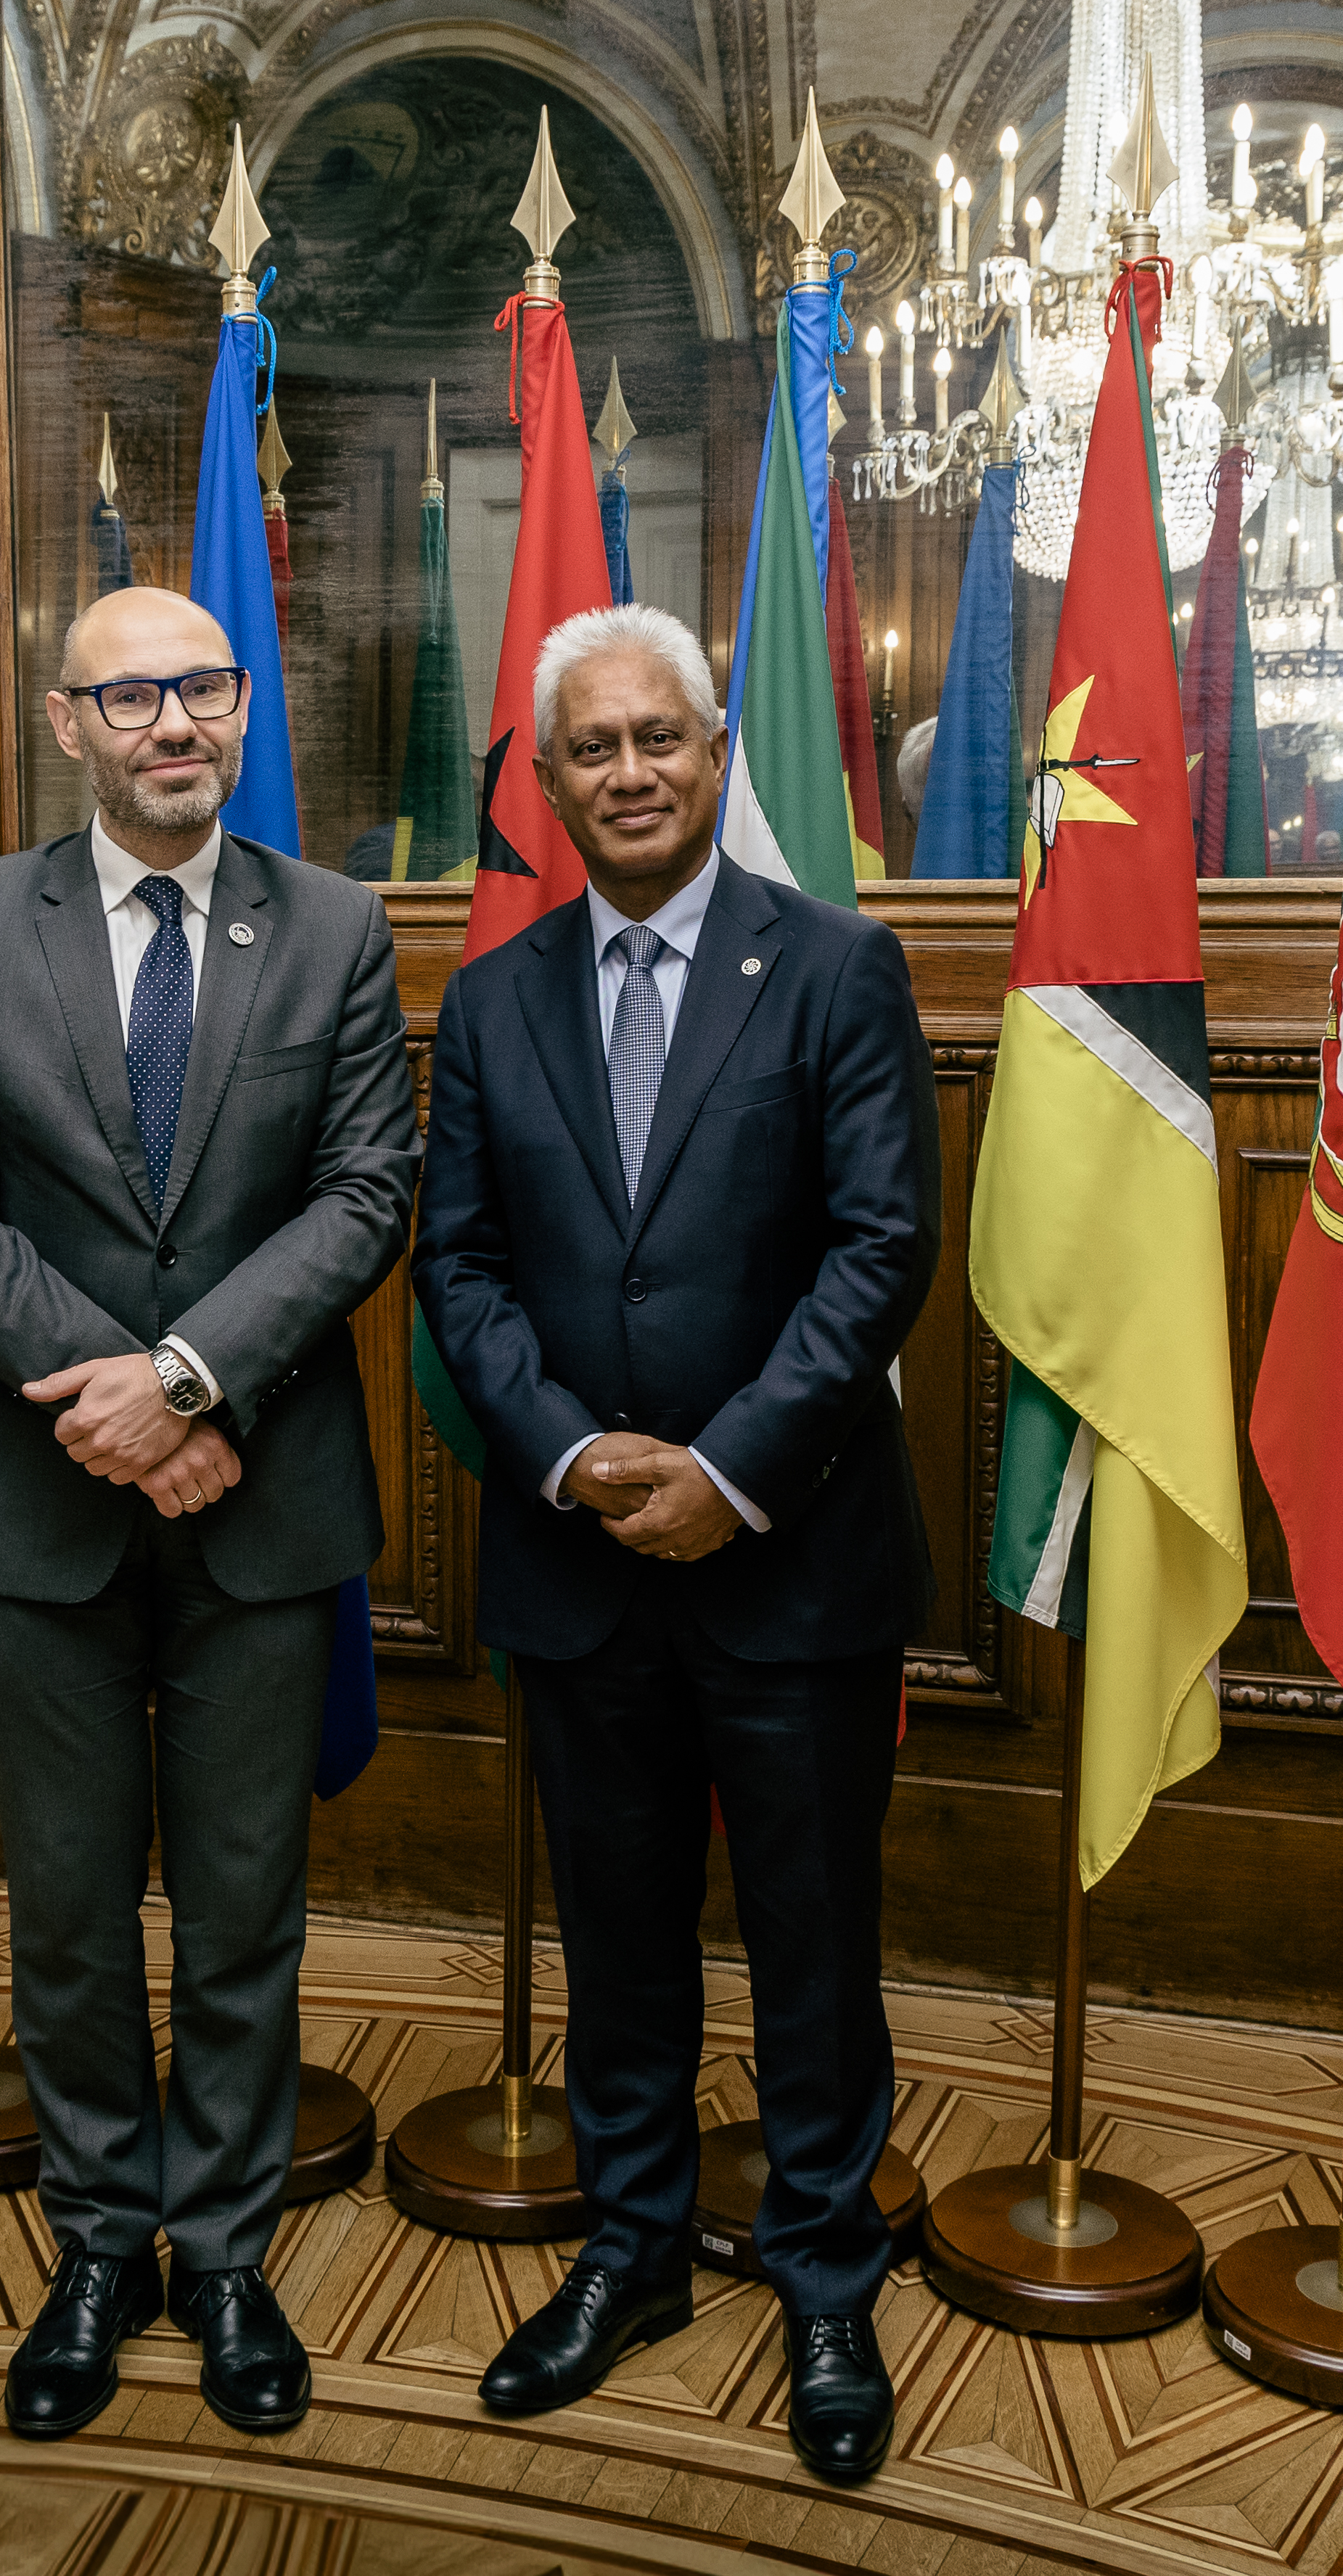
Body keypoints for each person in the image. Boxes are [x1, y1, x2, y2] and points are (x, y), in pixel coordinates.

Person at [0, 585, 419, 2444]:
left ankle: (229, 2252)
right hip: (38, 1510)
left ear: (242, 708)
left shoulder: (333, 927)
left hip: (264, 1502)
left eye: (198, 687)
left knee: (250, 1905)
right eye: (130, 696)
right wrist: (120, 1411)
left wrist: (184, 1385)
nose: (170, 721)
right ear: (63, 724)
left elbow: (364, 1195)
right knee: (82, 1912)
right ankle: (100, 2238)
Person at [411, 602, 942, 2485]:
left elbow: (882, 1251)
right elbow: (457, 1268)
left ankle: (819, 2270)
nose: (629, 770)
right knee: (618, 1946)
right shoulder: (491, 998)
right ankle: (629, 2247)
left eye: (662, 738)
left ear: (717, 756)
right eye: (592, 748)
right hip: (574, 1563)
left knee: (811, 1945)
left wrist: (726, 1469)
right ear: (546, 784)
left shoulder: (836, 969)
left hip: (790, 1561)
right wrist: (566, 1457)